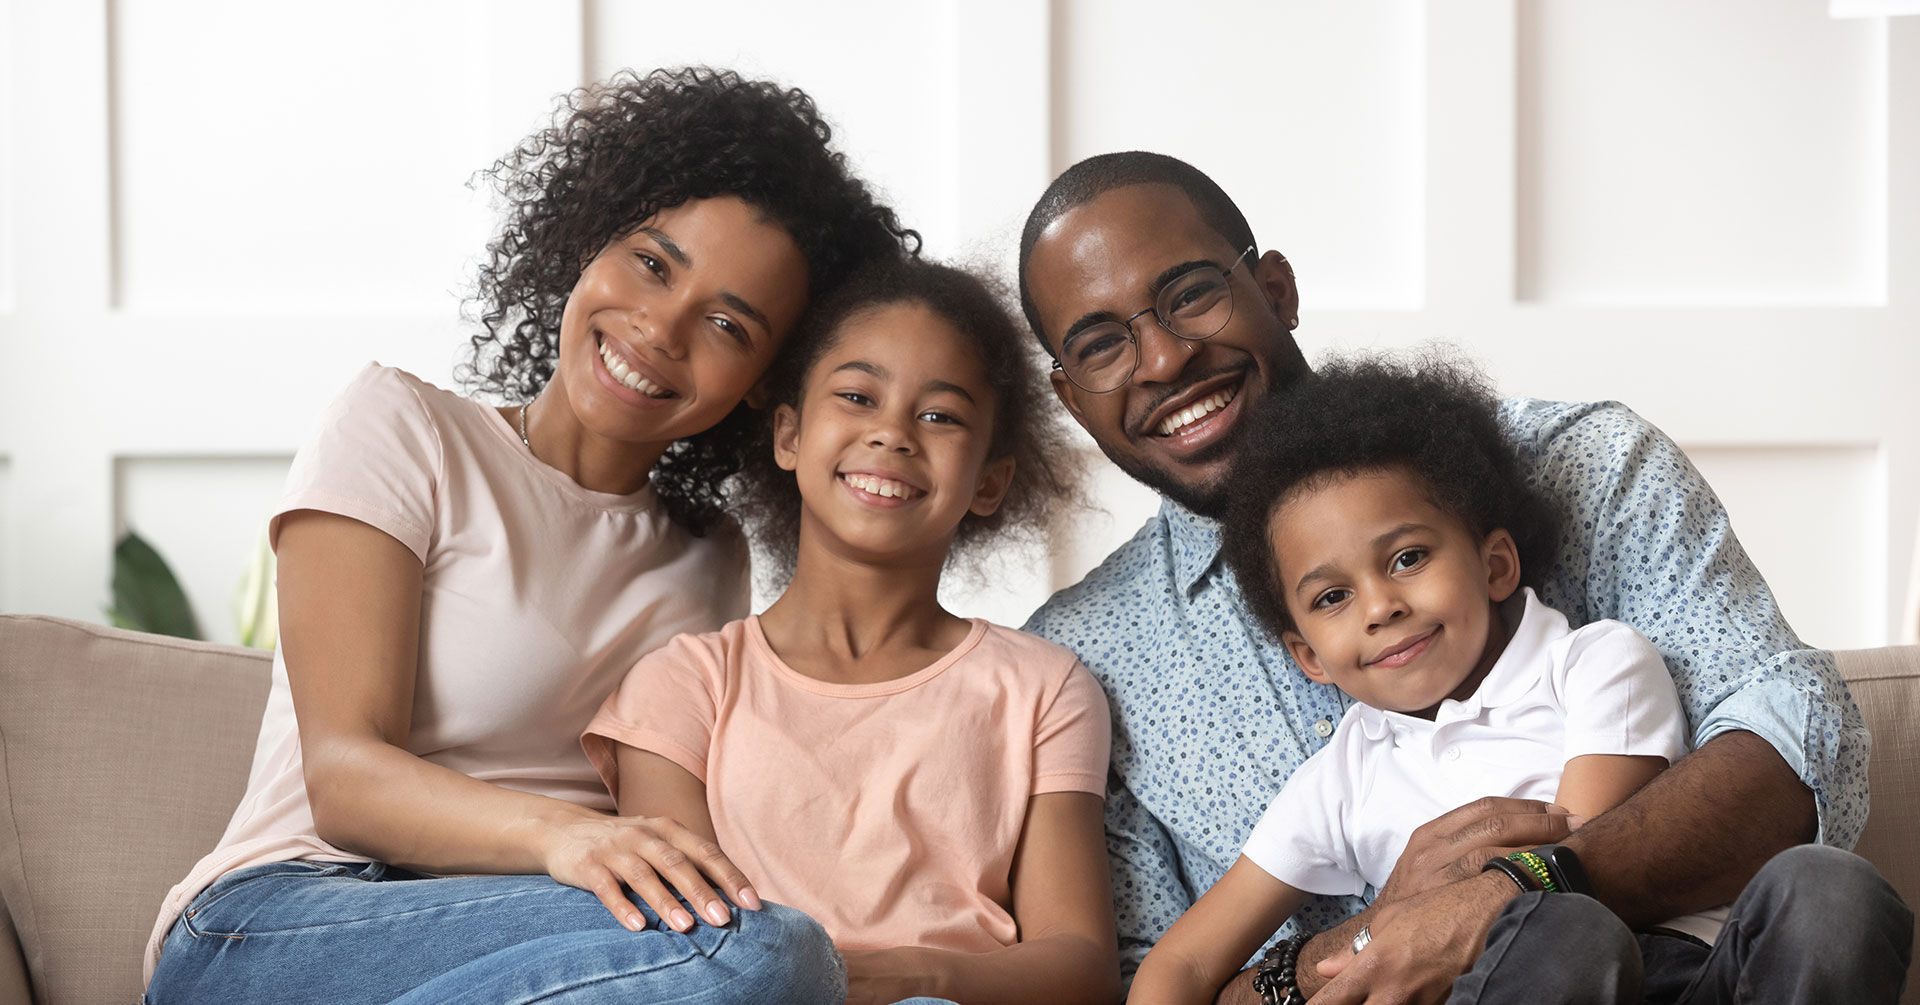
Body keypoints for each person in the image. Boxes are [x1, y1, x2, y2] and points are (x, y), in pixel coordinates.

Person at [1015, 150, 1882, 1003]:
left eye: (1191, 294)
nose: (1163, 360)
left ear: (1274, 288)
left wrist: (1504, 892)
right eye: (1100, 345)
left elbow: (1798, 748)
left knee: (1808, 898)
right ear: (1068, 394)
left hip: (1666, 965)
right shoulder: (1079, 661)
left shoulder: (1587, 467)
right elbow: (1146, 980)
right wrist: (1368, 940)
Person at [143, 68, 918, 1004]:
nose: (659, 326)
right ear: (591, 239)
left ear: (764, 384)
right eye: (652, 262)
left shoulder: (709, 557)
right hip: (278, 921)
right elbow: (345, 778)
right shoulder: (402, 426)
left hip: (547, 952)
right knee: (765, 954)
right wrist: (567, 836)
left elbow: (665, 837)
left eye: (725, 323)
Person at [1128, 357, 1909, 1004]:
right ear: (1309, 656)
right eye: (1334, 597)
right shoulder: (1339, 775)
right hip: (1499, 987)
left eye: (1407, 558)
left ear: (1495, 564)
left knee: (1827, 888)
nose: (1381, 605)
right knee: (1557, 939)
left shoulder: (1595, 664)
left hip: (1675, 972)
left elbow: (1577, 861)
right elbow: (1182, 967)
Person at [581, 257, 1121, 1005]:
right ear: (790, 434)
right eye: (858, 396)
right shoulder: (682, 688)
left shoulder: (1044, 689)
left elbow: (1082, 966)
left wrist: (918, 977)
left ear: (990, 480)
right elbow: (689, 947)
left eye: (941, 415)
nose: (893, 433)